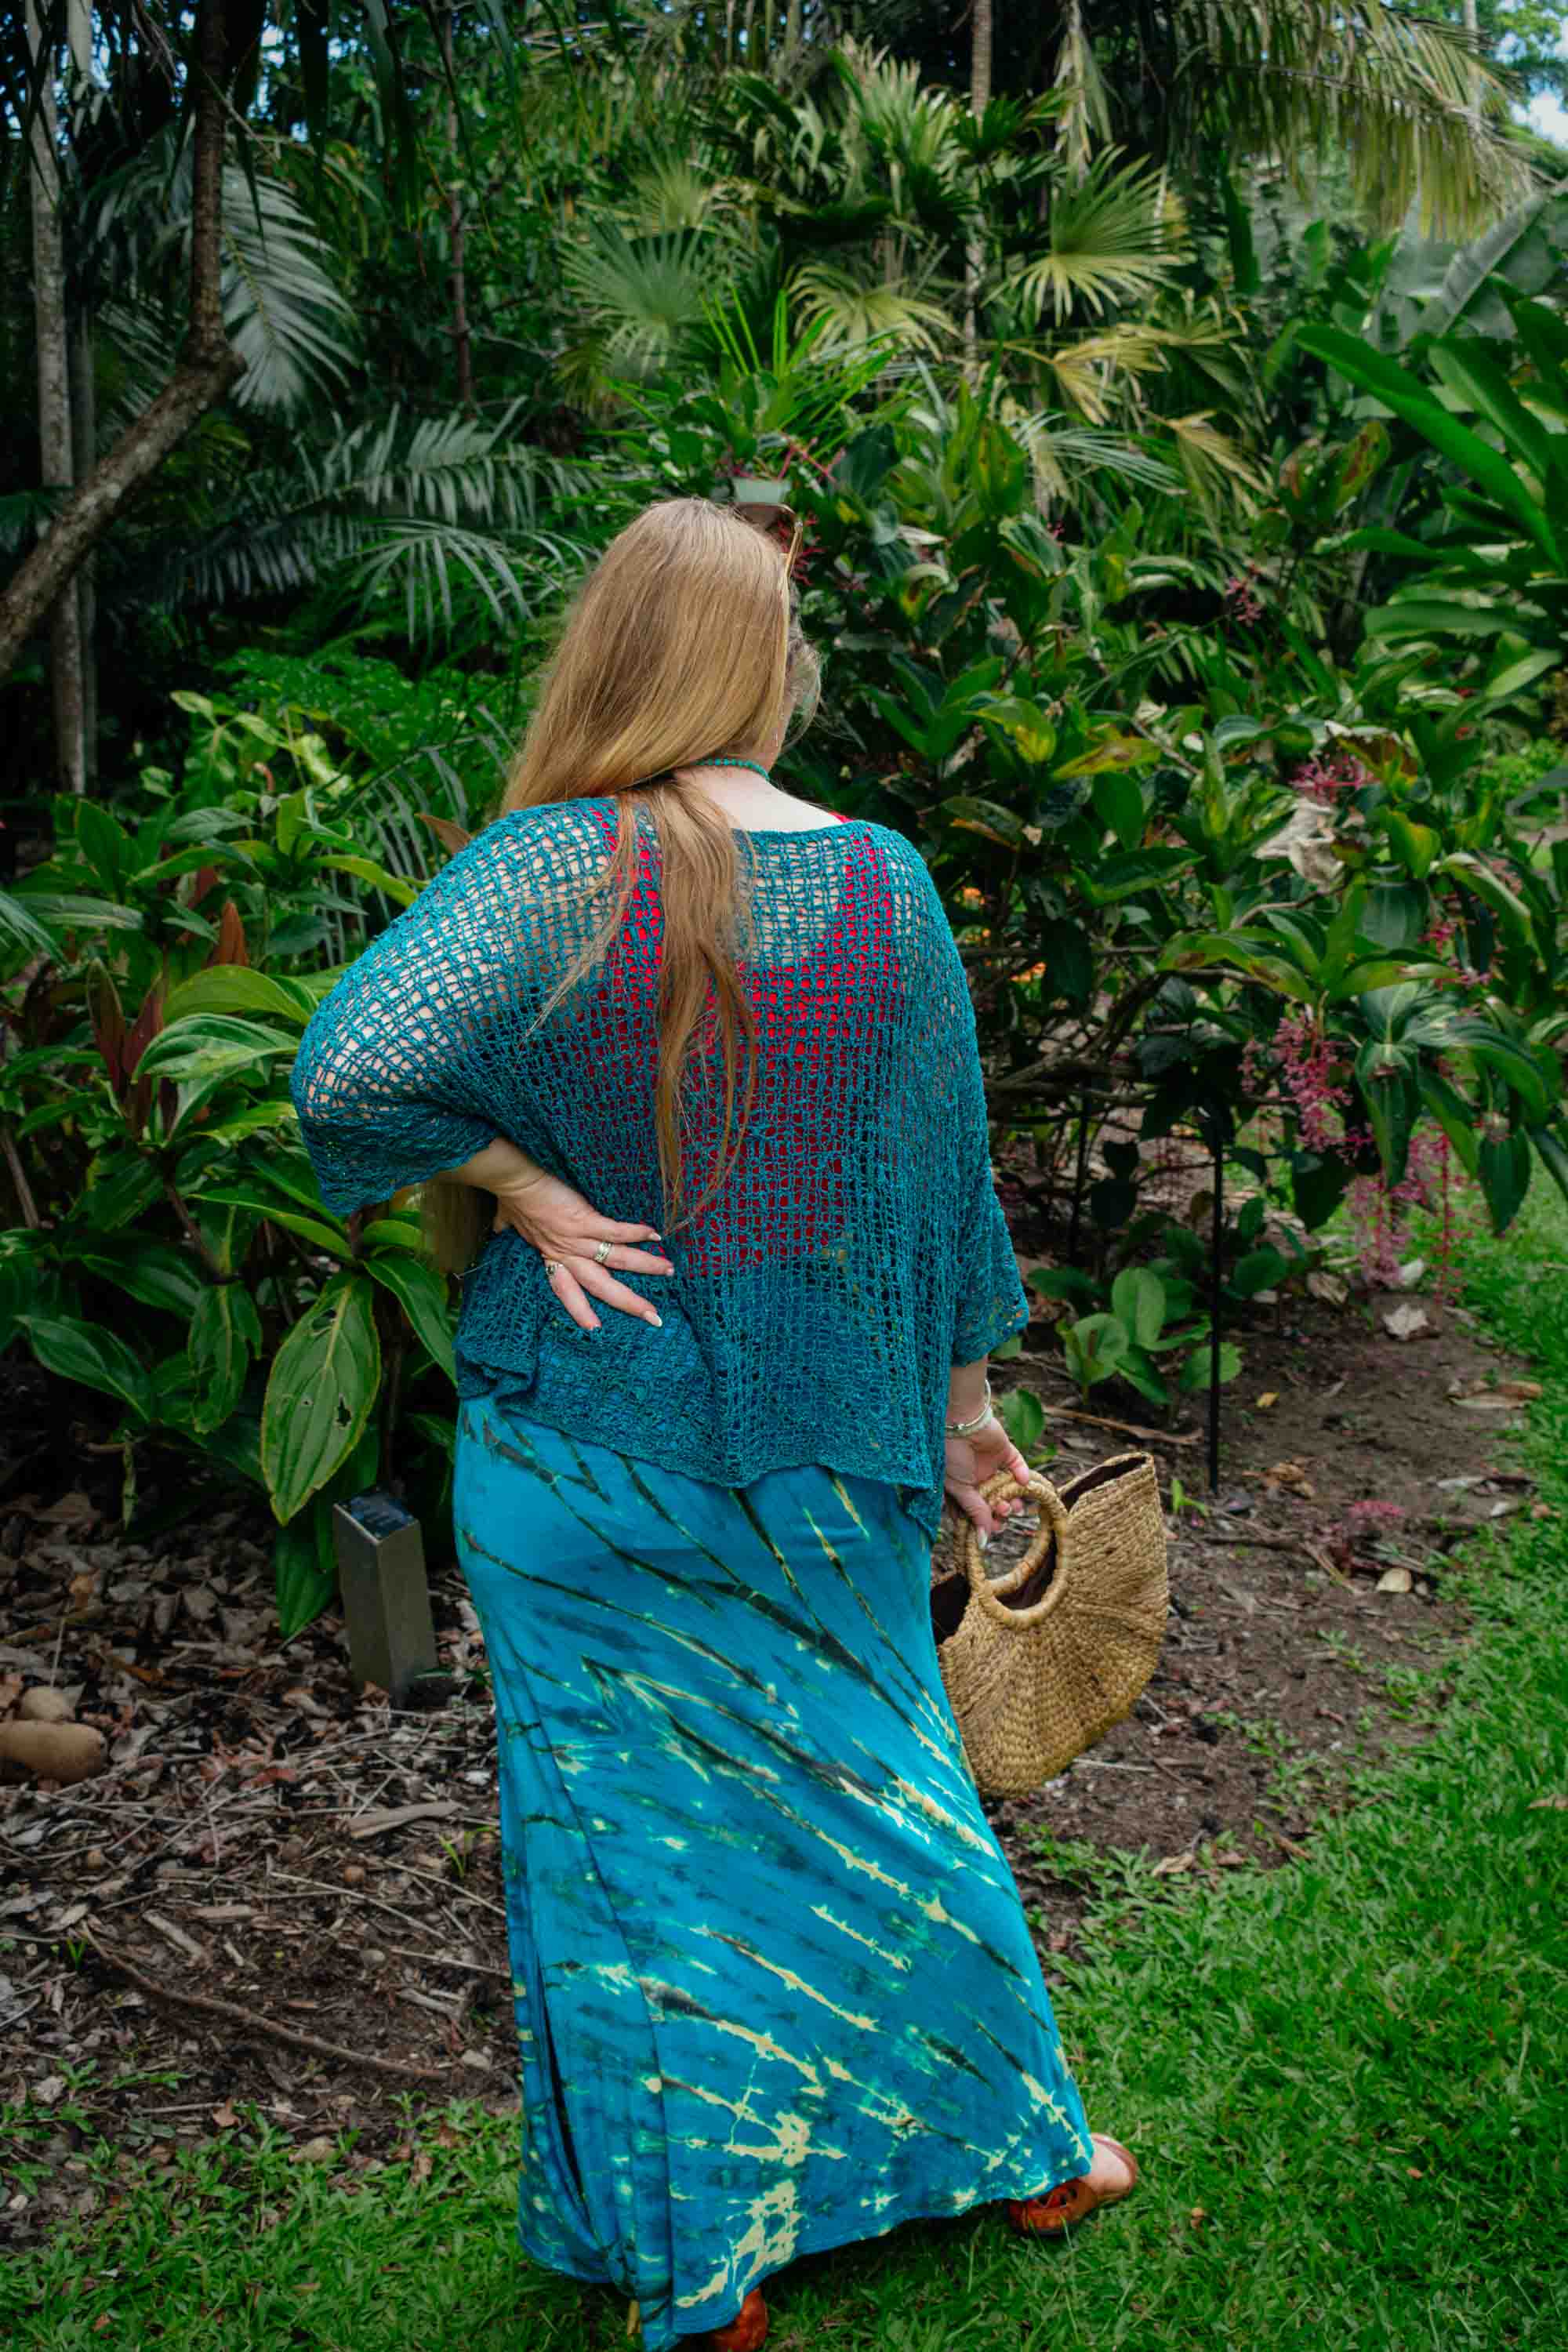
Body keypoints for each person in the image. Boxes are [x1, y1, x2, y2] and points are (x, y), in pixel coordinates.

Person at [290, 498, 1136, 2351]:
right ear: (761, 667)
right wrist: (967, 1420)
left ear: (612, 655)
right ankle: (1029, 2155)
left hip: (578, 1449)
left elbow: (345, 1067)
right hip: (824, 1444)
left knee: (630, 1849)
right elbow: (938, 1205)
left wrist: (521, 1187)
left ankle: (708, 2271)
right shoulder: (883, 887)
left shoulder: (547, 867)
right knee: (886, 1794)